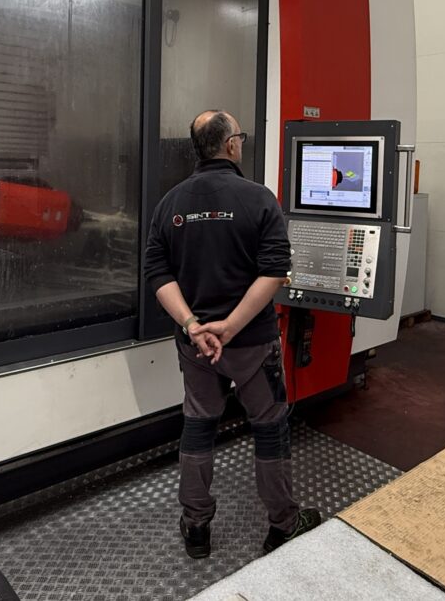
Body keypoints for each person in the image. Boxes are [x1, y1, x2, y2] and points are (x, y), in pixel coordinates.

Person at [144, 109, 322, 559]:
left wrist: (193, 326)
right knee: (270, 427)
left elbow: (157, 272)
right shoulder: (258, 198)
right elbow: (275, 270)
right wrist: (231, 326)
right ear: (230, 145)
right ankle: (283, 525)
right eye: (239, 135)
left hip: (196, 346)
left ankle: (195, 526)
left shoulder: (170, 203)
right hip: (253, 344)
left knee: (198, 424)